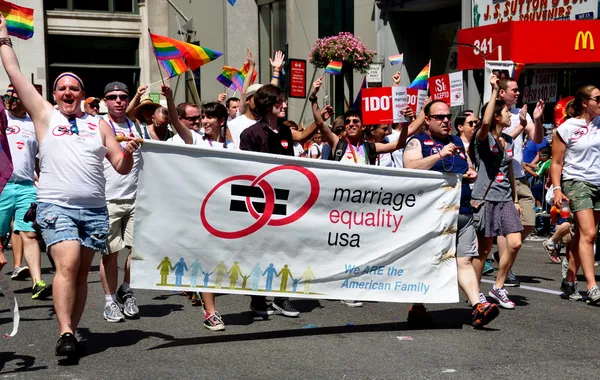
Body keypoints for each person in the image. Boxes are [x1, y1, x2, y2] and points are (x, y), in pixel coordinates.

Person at [0, 13, 141, 357]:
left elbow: (120, 167)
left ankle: (72, 331)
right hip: (55, 205)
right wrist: (4, 37)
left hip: (94, 209)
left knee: (79, 273)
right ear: (53, 94)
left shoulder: (99, 125)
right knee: (68, 262)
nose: (67, 92)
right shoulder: (45, 116)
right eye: (61, 87)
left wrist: (129, 152)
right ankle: (64, 332)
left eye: (73, 88)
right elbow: (15, 73)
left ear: (82, 94)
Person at [403, 99, 499, 328]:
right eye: (439, 117)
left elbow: (463, 167)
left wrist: (470, 173)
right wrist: (439, 156)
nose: (446, 120)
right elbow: (410, 167)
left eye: (447, 116)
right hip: (432, 214)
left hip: (462, 211)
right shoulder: (417, 141)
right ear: (427, 120)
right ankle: (416, 306)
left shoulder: (456, 141)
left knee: (464, 260)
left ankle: (478, 306)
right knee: (428, 261)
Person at [239, 84, 323, 317]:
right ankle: (258, 300)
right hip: (261, 201)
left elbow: (304, 136)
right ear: (267, 105)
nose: (285, 105)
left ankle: (281, 298)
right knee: (261, 250)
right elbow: (245, 171)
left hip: (286, 200)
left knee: (286, 249)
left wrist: (319, 116)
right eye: (280, 102)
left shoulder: (286, 132)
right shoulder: (250, 134)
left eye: (284, 101)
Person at [162, 84, 230, 330]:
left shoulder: (232, 148)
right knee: (207, 259)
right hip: (199, 211)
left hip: (224, 213)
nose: (204, 121)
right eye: (203, 116)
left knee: (219, 260)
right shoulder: (196, 139)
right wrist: (170, 99)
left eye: (210, 117)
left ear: (222, 121)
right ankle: (210, 311)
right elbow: (175, 122)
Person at [470, 75, 538, 309]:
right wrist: (492, 91)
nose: (510, 114)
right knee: (484, 249)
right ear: (497, 116)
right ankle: (475, 292)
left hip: (506, 199)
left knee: (515, 243)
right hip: (486, 199)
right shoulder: (483, 138)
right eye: (506, 112)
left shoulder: (507, 141)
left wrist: (516, 199)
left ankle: (498, 287)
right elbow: (486, 122)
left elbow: (509, 171)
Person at [551, 85, 600, 304]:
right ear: (584, 102)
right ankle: (592, 286)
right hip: (577, 181)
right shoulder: (568, 127)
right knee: (589, 234)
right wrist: (557, 188)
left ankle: (569, 278)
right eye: (598, 99)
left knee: (583, 236)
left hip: (598, 183)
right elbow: (557, 162)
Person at [99, 81, 143, 323]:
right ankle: (110, 302)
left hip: (135, 198)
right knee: (110, 254)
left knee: (137, 251)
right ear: (105, 100)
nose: (118, 100)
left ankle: (126, 289)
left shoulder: (136, 126)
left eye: (123, 97)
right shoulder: (99, 125)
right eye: (113, 96)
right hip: (108, 199)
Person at [0, 85, 49, 299]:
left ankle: (37, 281)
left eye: (14, 96)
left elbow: (41, 158)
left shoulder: (34, 124)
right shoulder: (2, 120)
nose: (10, 100)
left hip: (27, 187)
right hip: (2, 187)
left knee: (29, 233)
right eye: (6, 96)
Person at [496, 77, 545, 287]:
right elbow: (497, 139)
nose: (517, 93)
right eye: (513, 90)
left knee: (529, 222)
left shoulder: (519, 114)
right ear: (501, 93)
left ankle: (503, 257)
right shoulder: (494, 114)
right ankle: (506, 270)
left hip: (519, 176)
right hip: (501, 176)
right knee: (506, 227)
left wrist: (537, 119)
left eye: (518, 90)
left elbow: (537, 138)